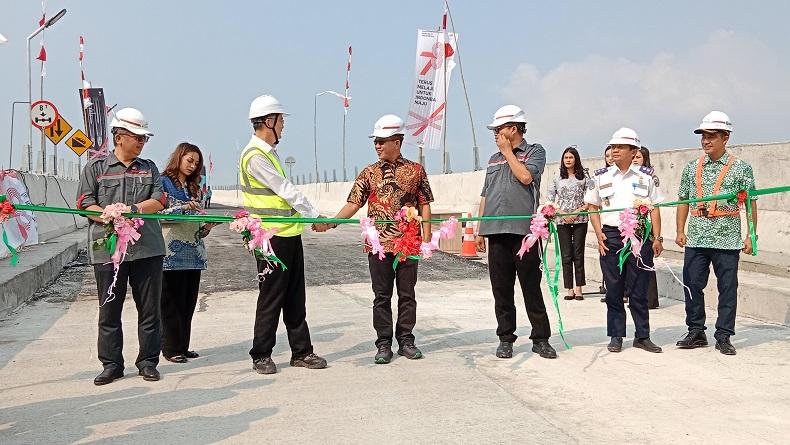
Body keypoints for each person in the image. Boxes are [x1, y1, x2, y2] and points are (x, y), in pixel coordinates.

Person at [331, 114, 434, 364]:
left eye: (381, 141)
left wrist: (427, 239)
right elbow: (353, 203)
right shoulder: (369, 173)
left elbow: (425, 204)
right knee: (381, 295)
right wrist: (332, 221)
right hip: (378, 245)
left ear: (397, 141)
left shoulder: (416, 171)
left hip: (408, 244)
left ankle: (406, 341)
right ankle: (384, 343)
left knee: (407, 294)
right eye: (375, 141)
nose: (377, 145)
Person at [75, 107, 166, 385]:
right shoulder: (96, 168)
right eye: (136, 137)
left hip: (146, 249)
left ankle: (148, 361)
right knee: (109, 310)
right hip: (108, 250)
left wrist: (133, 209)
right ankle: (112, 364)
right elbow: (83, 202)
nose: (140, 142)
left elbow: (160, 200)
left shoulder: (149, 168)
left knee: (149, 309)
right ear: (119, 136)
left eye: (144, 138)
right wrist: (107, 214)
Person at [240, 94, 327, 374]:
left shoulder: (268, 153)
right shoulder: (255, 156)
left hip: (288, 234)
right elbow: (285, 190)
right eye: (281, 121)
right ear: (269, 121)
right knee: (271, 295)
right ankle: (261, 353)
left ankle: (301, 351)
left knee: (294, 296)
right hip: (270, 238)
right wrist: (315, 215)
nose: (283, 126)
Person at [474, 105, 557, 360]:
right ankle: (505, 338)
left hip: (524, 233)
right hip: (495, 230)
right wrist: (480, 229)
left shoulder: (535, 152)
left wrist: (508, 151)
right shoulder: (493, 159)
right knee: (501, 288)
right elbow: (486, 194)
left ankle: (541, 338)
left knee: (531, 286)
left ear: (513, 128)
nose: (495, 134)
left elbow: (525, 178)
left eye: (499, 129)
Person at [675, 111, 757, 355]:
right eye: (703, 136)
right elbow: (683, 200)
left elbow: (750, 203)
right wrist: (680, 230)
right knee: (692, 285)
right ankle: (696, 331)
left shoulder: (741, 168)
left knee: (727, 288)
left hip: (727, 239)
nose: (706, 141)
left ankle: (723, 335)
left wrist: (751, 235)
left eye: (712, 136)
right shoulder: (691, 168)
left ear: (726, 137)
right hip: (697, 237)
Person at [585, 127, 664, 353]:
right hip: (611, 235)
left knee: (640, 289)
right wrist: (598, 233)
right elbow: (592, 206)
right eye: (613, 146)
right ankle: (616, 335)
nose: (615, 150)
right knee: (614, 289)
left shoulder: (645, 177)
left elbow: (655, 208)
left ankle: (642, 335)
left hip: (640, 236)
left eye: (620, 147)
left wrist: (657, 238)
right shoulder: (601, 177)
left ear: (633, 151)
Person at [158, 143, 217, 363]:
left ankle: (182, 345)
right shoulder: (163, 183)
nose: (193, 166)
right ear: (179, 158)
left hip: (194, 252)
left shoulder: (194, 188)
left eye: (196, 163)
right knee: (170, 302)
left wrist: (208, 226)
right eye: (189, 160)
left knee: (188, 302)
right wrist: (183, 208)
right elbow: (159, 215)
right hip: (170, 254)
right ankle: (170, 348)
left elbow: (198, 229)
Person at [547, 146, 590, 301]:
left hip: (580, 219)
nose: (568, 160)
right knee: (566, 254)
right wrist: (563, 214)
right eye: (566, 158)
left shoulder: (584, 177)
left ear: (576, 159)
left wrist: (578, 211)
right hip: (562, 220)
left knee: (578, 253)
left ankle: (579, 288)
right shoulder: (557, 177)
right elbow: (550, 200)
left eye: (571, 157)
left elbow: (591, 198)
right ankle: (569, 288)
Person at [632, 146, 660, 309]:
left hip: (645, 225)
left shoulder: (650, 178)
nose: (635, 160)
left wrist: (657, 235)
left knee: (646, 262)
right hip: (629, 225)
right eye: (633, 157)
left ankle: (650, 299)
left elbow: (655, 206)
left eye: (639, 157)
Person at [599, 146, 615, 302]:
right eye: (607, 155)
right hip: (608, 228)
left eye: (612, 154)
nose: (610, 158)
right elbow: (593, 205)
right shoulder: (601, 177)